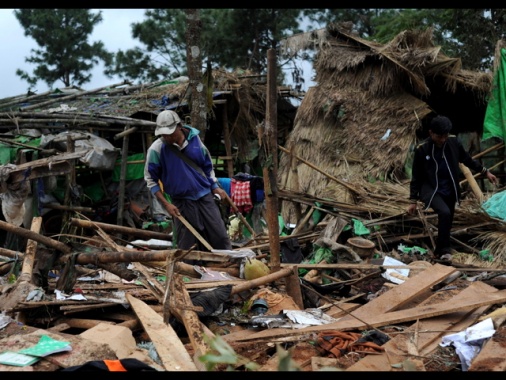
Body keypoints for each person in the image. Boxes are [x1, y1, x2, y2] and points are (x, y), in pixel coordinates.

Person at [407, 115, 498, 261]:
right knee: (444, 212)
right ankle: (445, 250)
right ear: (431, 133)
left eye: (445, 136)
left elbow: (467, 159)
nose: (443, 140)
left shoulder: (453, 142)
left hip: (450, 187)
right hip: (430, 188)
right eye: (439, 136)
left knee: (448, 219)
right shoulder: (422, 150)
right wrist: (413, 199)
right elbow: (416, 176)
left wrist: (485, 171)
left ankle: (439, 251)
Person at [144, 110, 232, 253]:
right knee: (186, 244)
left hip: (204, 196)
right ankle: (188, 272)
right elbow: (151, 180)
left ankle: (227, 265)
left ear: (179, 126)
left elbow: (207, 166)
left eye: (170, 133)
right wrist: (166, 205)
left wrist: (215, 187)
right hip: (181, 201)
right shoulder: (157, 149)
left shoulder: (195, 141)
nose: (167, 137)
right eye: (164, 134)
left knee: (219, 235)